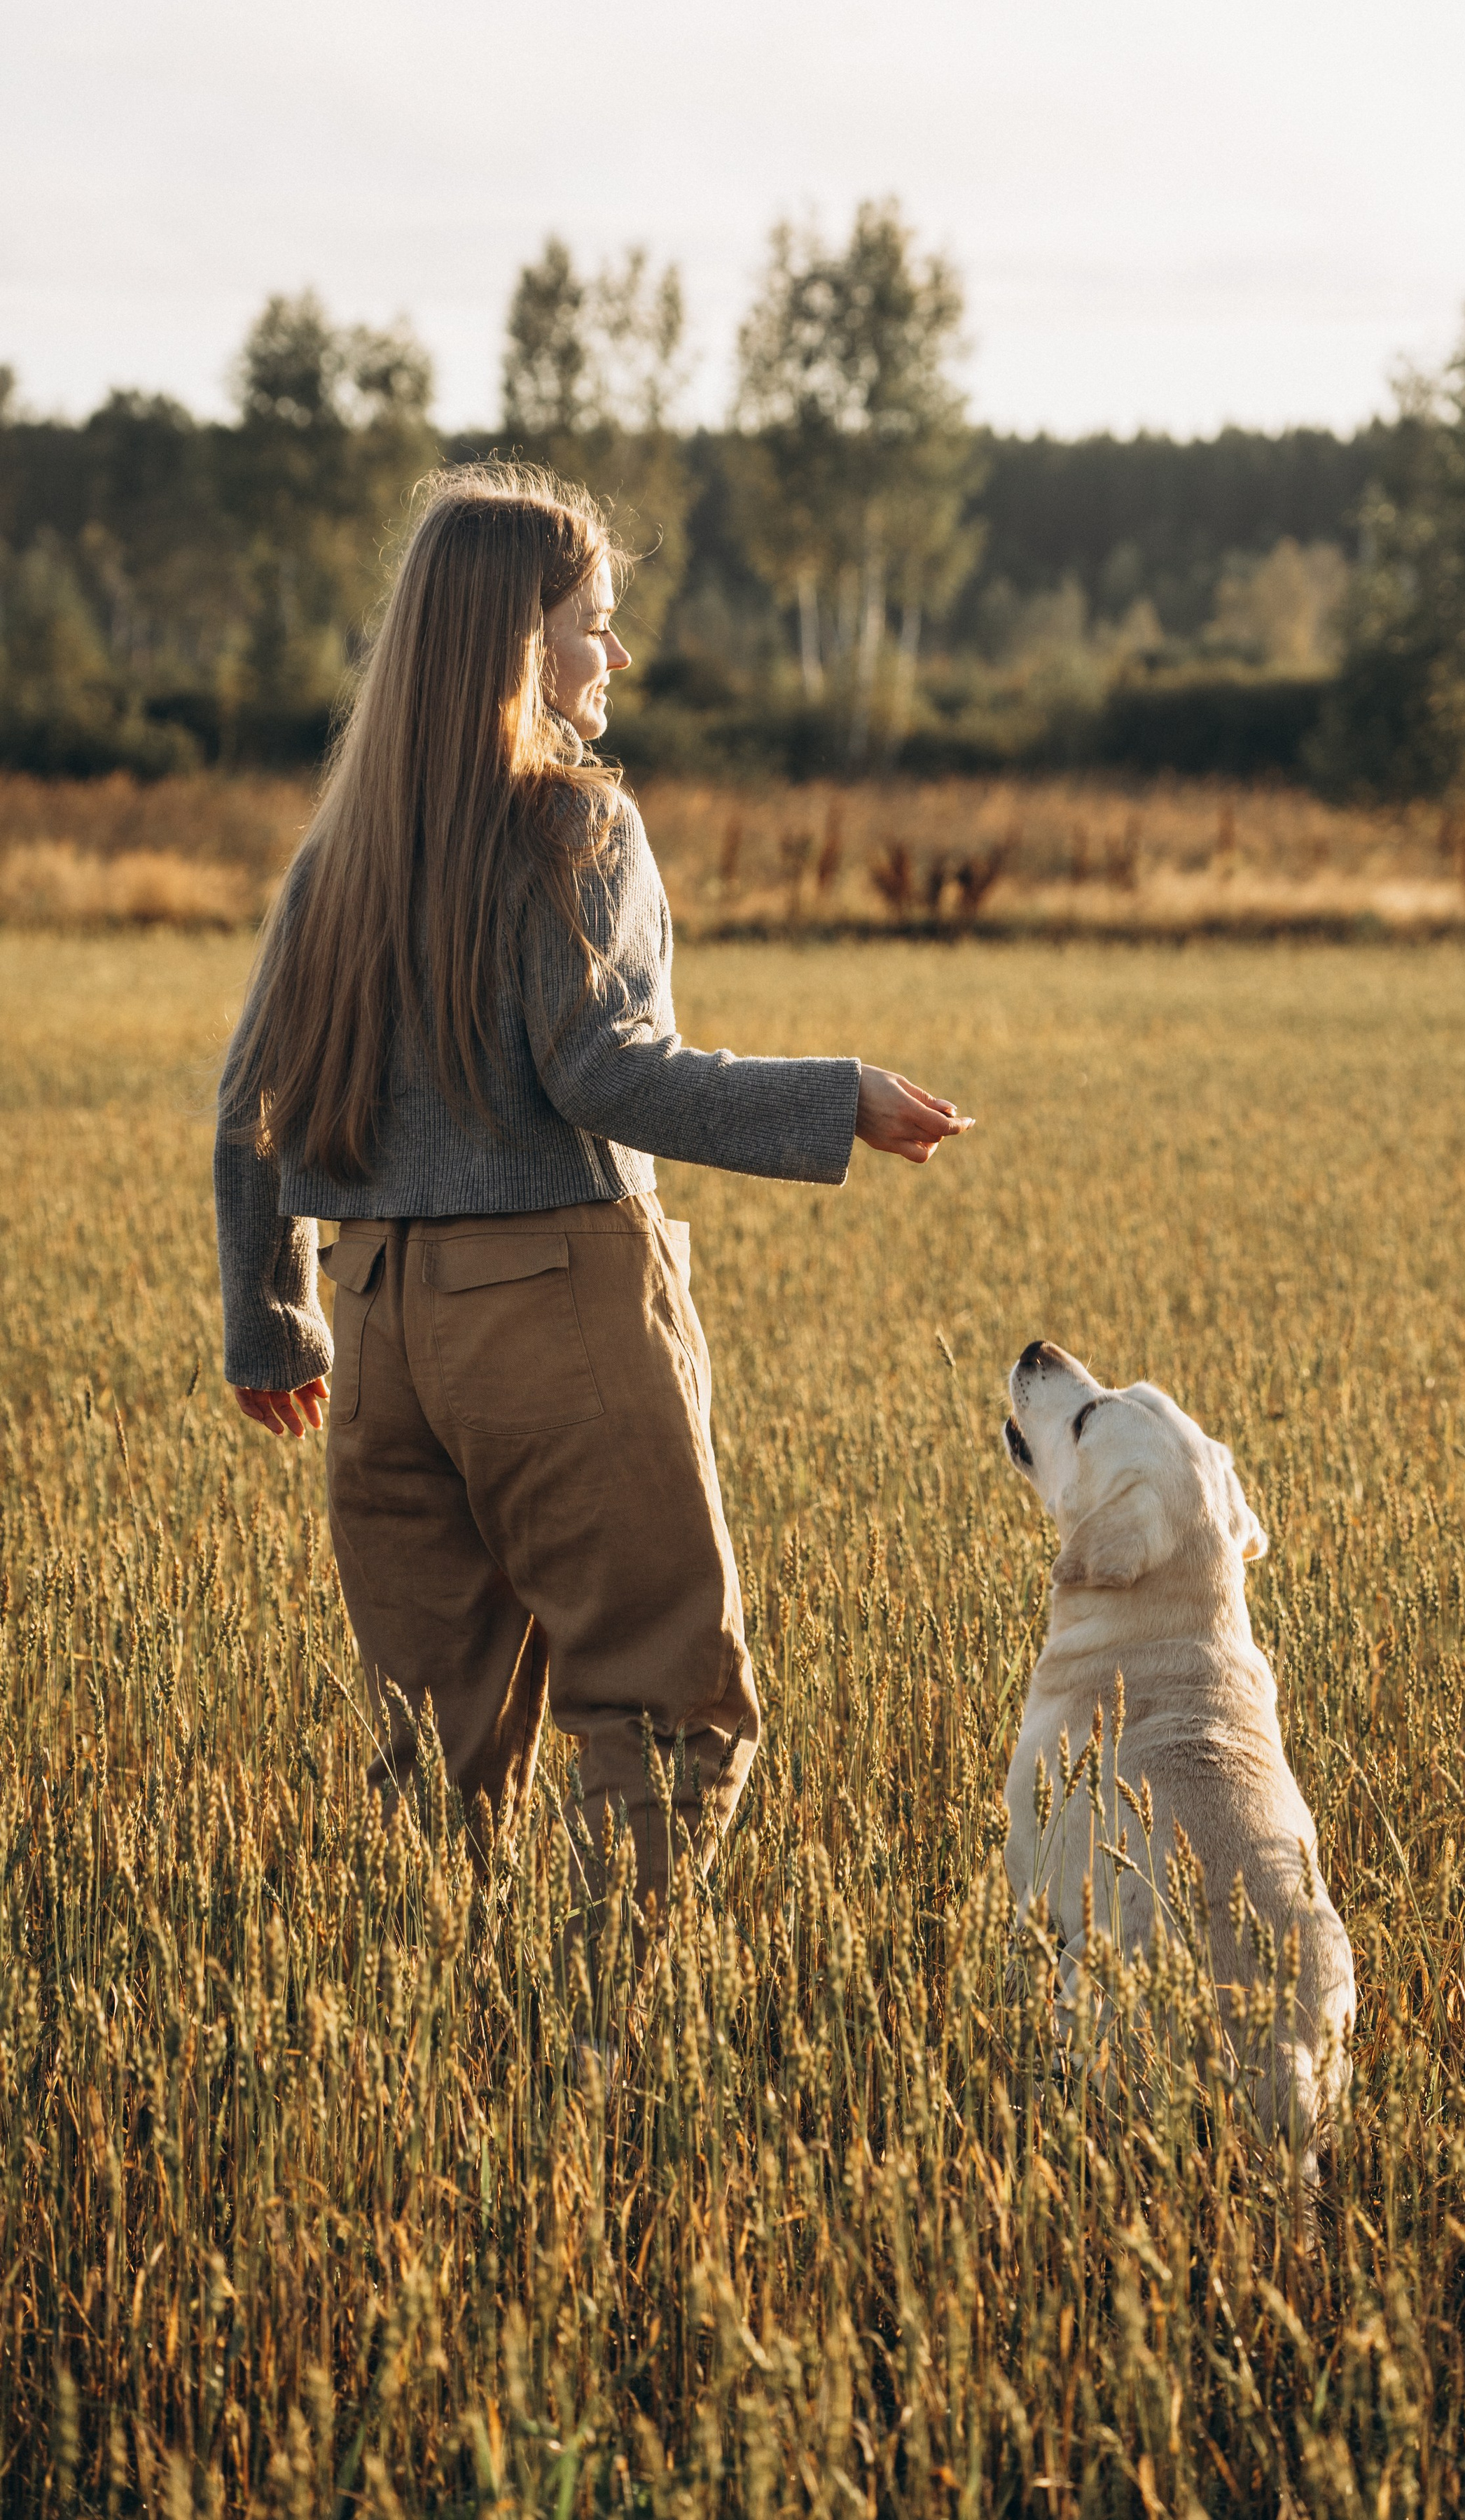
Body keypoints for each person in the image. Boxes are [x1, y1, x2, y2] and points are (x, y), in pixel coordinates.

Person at [215, 461, 968, 1912]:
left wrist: (273, 1320)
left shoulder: (340, 857)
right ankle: (600, 2042)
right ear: (520, 641)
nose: (611, 655)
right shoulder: (575, 827)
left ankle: (425, 2074)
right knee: (666, 1712)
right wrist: (840, 1098)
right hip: (552, 1307)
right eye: (592, 621)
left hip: (374, 1325)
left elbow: (247, 1110)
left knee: (434, 1757)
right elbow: (608, 1076)